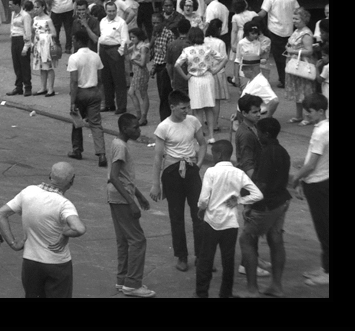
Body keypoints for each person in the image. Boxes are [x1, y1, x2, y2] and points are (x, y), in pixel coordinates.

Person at [0, 162, 86, 298]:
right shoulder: (64, 204)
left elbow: (0, 214)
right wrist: (65, 233)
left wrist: (13, 243)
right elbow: (79, 228)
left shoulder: (28, 192)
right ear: (71, 182)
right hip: (57, 264)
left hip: (31, 262)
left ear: (50, 175)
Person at [196, 139, 262, 298]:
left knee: (205, 259)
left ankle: (201, 293)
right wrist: (239, 200)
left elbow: (204, 199)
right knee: (228, 259)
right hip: (230, 224)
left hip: (211, 221)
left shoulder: (211, 172)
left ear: (218, 154)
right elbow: (257, 194)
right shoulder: (239, 173)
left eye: (213, 153)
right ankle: (226, 293)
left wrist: (201, 210)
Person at [150, 90, 205, 272]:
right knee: (176, 216)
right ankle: (181, 255)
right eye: (182, 108)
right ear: (172, 107)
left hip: (190, 169)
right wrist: (156, 184)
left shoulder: (193, 121)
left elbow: (203, 144)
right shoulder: (163, 127)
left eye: (188, 107)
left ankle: (201, 254)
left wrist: (198, 164)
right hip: (172, 172)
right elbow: (158, 157)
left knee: (199, 213)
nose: (186, 111)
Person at [238, 117, 291, 298]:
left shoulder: (268, 153)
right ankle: (276, 286)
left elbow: (261, 184)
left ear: (266, 134)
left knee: (246, 239)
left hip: (267, 204)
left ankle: (252, 290)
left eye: (259, 132)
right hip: (282, 201)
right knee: (275, 239)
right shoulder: (283, 151)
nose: (257, 135)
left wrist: (248, 204)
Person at [106, 114, 156, 297]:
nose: (139, 130)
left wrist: (140, 196)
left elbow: (123, 178)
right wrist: (131, 202)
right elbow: (114, 176)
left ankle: (122, 280)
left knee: (124, 240)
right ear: (125, 129)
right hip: (121, 198)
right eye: (135, 128)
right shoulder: (120, 146)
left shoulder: (118, 143)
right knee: (137, 239)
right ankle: (133, 283)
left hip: (117, 196)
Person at [288, 93, 328, 287]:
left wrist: (296, 178)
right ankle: (325, 266)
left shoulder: (321, 132)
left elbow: (311, 164)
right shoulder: (324, 128)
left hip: (318, 183)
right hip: (321, 181)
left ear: (321, 111)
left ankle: (328, 271)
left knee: (324, 228)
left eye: (310, 111)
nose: (307, 115)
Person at [66, 28, 105, 165]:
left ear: (77, 41)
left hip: (80, 93)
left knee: (77, 122)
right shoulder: (95, 56)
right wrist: (99, 93)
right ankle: (101, 154)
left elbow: (74, 82)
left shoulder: (74, 58)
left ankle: (77, 150)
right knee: (96, 124)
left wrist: (72, 101)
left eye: (73, 41)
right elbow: (100, 78)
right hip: (94, 92)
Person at [177, 27, 217, 141]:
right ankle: (211, 136)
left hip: (195, 80)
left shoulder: (187, 50)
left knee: (198, 109)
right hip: (208, 78)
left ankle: (201, 136)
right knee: (209, 108)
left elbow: (177, 65)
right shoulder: (208, 48)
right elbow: (223, 58)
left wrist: (185, 76)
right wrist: (214, 70)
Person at [258, 0, 296, 87]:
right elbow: (298, 10)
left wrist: (252, 18)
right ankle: (290, 78)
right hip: (289, 29)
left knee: (279, 56)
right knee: (289, 55)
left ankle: (283, 79)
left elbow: (263, 12)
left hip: (275, 29)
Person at [283, 7, 316, 124]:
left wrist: (293, 51)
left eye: (296, 18)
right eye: (293, 18)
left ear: (303, 19)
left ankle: (308, 117)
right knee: (298, 91)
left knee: (305, 92)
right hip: (294, 65)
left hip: (302, 65)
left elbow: (309, 50)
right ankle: (298, 115)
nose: (294, 21)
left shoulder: (306, 33)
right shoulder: (296, 31)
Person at [96, 0, 129, 115]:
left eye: (113, 11)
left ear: (116, 10)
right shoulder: (102, 21)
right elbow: (101, 37)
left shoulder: (121, 22)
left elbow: (125, 39)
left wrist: (119, 52)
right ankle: (109, 104)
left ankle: (121, 106)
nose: (111, 13)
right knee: (106, 79)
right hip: (103, 50)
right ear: (106, 11)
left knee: (119, 80)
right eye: (109, 11)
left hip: (115, 50)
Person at [5, 0, 33, 93]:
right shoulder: (13, 14)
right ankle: (19, 86)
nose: (9, 6)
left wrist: (26, 47)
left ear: (17, 5)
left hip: (22, 40)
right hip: (14, 39)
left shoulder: (25, 16)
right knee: (16, 64)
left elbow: (28, 32)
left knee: (24, 64)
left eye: (11, 5)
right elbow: (12, 27)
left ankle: (28, 87)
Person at [30, 0, 57, 97]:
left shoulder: (48, 19)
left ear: (43, 7)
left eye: (38, 7)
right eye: (35, 7)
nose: (35, 9)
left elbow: (54, 33)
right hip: (38, 45)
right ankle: (43, 87)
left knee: (48, 67)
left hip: (46, 45)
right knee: (41, 67)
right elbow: (33, 32)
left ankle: (51, 89)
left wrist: (45, 37)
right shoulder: (35, 19)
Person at [126, 27, 152, 127]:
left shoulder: (143, 47)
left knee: (141, 93)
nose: (132, 39)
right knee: (134, 93)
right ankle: (140, 115)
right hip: (136, 71)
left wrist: (133, 61)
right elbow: (125, 53)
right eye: (131, 37)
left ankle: (142, 116)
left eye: (133, 37)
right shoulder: (136, 45)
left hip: (141, 71)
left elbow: (142, 63)